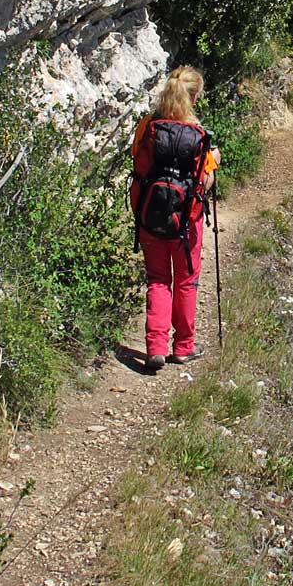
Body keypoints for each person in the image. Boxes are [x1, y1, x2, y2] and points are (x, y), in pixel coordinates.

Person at [129, 66, 219, 371]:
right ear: (193, 97)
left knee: (157, 279)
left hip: (150, 215)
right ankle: (183, 347)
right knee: (186, 281)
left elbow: (137, 164)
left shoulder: (148, 126)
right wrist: (214, 163)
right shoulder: (198, 137)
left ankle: (155, 348)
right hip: (185, 223)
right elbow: (203, 182)